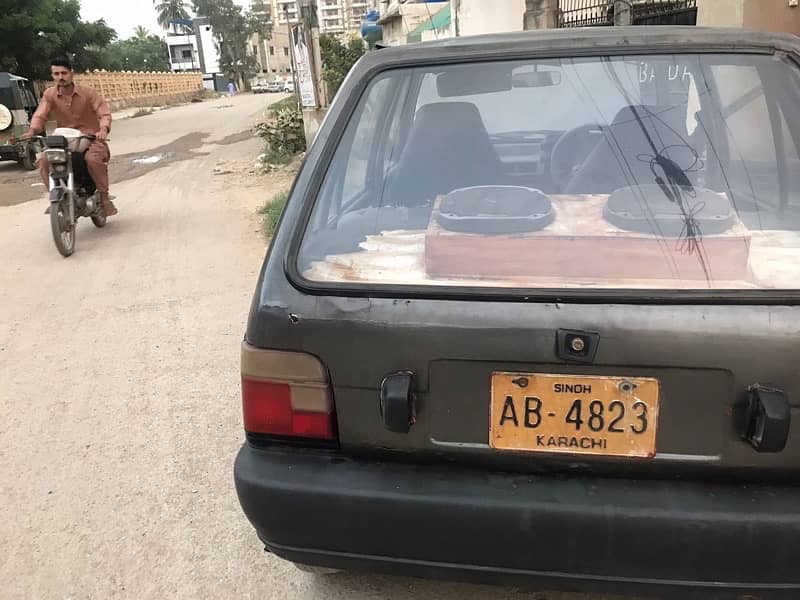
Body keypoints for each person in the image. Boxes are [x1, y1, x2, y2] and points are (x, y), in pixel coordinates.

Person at [22, 57, 117, 217]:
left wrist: (103, 129)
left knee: (92, 159)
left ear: (71, 73)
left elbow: (103, 112)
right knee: (44, 160)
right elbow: (41, 114)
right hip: (66, 140)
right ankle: (56, 198)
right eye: (56, 73)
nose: (60, 77)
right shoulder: (50, 94)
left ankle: (104, 197)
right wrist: (33, 130)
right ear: (52, 75)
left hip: (91, 138)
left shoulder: (88, 93)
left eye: (64, 73)